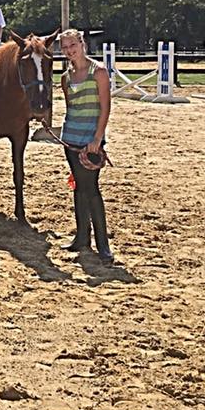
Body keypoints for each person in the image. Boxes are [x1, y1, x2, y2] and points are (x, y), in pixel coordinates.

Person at [59, 28, 114, 265]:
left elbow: (105, 107)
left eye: (73, 45)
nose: (70, 50)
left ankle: (103, 244)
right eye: (66, 47)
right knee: (79, 188)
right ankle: (82, 237)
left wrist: (97, 139)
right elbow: (72, 108)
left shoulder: (98, 72)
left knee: (91, 190)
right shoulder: (66, 77)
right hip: (70, 138)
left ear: (82, 44)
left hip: (90, 141)